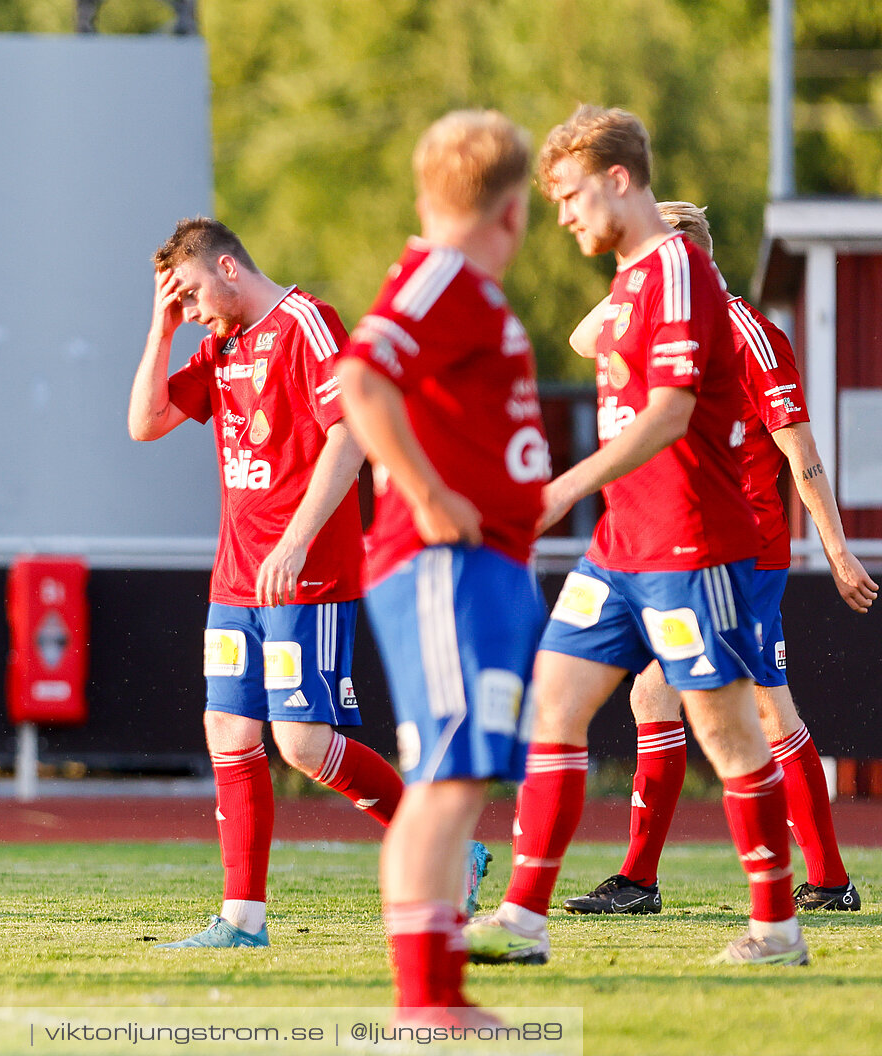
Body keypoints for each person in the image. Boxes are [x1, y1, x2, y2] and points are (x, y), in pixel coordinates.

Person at [465, 105, 808, 967]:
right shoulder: (626, 282)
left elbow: (670, 413)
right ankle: (524, 919)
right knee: (555, 701)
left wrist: (560, 491)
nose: (565, 216)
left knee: (729, 736)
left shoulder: (681, 271)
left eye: (574, 196)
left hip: (691, 546)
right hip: (621, 546)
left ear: (620, 179)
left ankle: (776, 929)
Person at [130, 217, 440, 949]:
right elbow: (144, 423)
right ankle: (243, 921)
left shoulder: (307, 321)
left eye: (197, 292)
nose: (195, 309)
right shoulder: (217, 345)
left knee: (300, 744)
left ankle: (445, 846)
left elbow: (352, 432)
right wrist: (161, 326)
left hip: (306, 573)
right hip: (236, 578)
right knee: (228, 731)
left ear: (230, 267)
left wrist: (296, 542)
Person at [558, 201, 874, 917]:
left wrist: (836, 549)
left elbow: (800, 452)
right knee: (703, 700)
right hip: (688, 548)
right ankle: (815, 879)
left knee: (743, 707)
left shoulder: (748, 333)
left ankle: (672, 882)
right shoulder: (669, 323)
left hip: (745, 552)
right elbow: (584, 339)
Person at [335, 109, 549, 1020]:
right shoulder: (440, 275)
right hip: (439, 563)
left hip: (486, 565)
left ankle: (441, 995)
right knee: (443, 777)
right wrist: (423, 494)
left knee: (464, 776)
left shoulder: (463, 285)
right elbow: (360, 378)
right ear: (514, 213)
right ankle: (424, 1004)